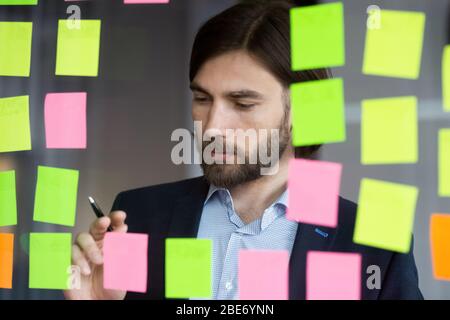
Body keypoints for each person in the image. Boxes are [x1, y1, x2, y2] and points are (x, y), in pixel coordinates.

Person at [64, 0, 423, 300]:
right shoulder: (138, 217)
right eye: (202, 98)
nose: (213, 126)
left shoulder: (373, 244)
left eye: (243, 103)